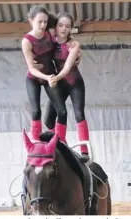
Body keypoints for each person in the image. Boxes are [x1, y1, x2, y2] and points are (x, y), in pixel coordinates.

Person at [21, 5, 80, 142]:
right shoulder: (27, 41)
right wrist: (47, 77)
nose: (43, 25)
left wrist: (78, 54)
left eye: (45, 22)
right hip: (35, 78)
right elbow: (31, 68)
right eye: (39, 22)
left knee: (62, 111)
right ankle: (36, 141)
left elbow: (64, 40)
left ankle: (60, 142)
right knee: (36, 111)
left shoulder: (50, 34)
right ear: (31, 21)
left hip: (51, 77)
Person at [43, 12, 90, 162]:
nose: (64, 29)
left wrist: (55, 78)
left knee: (78, 114)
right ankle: (63, 144)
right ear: (55, 27)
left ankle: (84, 150)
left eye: (68, 26)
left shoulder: (74, 45)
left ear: (71, 29)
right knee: (49, 119)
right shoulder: (50, 42)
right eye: (61, 25)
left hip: (74, 82)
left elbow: (68, 66)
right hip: (59, 83)